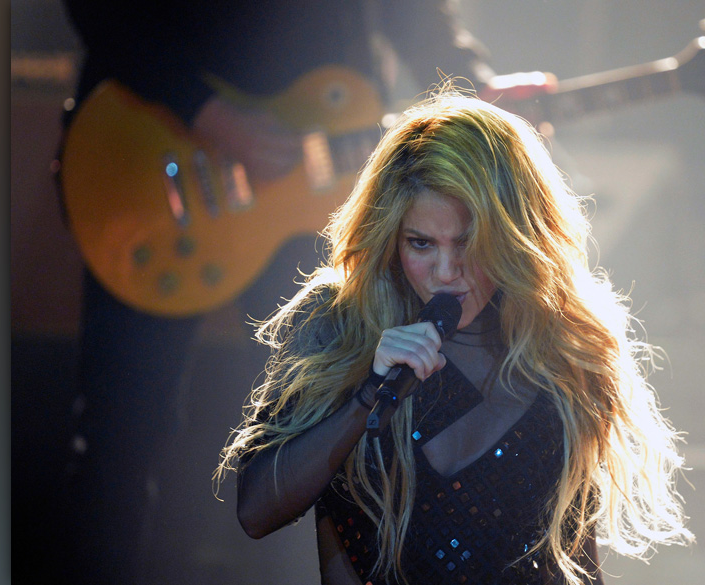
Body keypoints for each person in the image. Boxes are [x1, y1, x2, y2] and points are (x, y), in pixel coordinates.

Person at [51, 2, 521, 584]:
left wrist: (477, 93)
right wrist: (209, 113)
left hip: (308, 193)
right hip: (154, 153)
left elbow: (415, 16)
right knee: (122, 432)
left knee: (310, 426)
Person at [215, 90, 694, 585]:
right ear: (390, 235)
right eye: (421, 244)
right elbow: (256, 512)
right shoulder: (341, 324)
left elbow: (574, 558)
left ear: (513, 233)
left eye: (469, 243)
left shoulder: (562, 347)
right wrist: (368, 398)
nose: (447, 272)